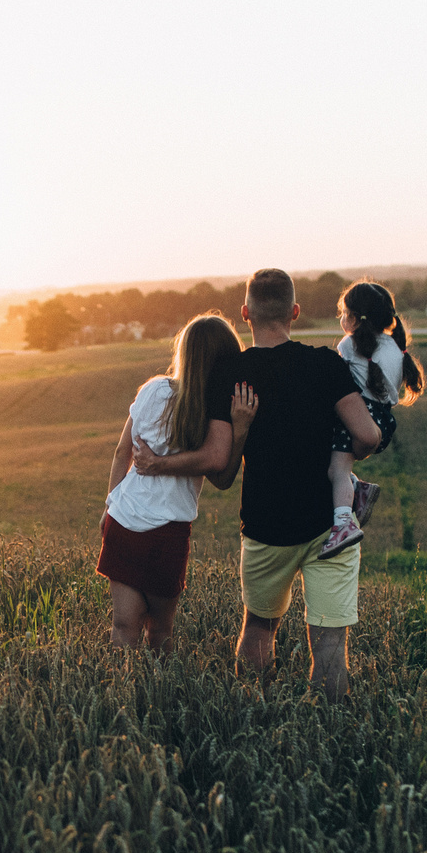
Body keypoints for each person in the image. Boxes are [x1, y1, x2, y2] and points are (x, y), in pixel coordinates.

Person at [136, 268, 380, 699]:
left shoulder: (232, 374)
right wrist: (343, 460)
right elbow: (367, 436)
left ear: (245, 313)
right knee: (329, 644)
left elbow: (220, 472)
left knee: (259, 629)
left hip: (266, 527)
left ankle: (255, 715)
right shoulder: (327, 363)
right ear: (295, 313)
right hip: (330, 525)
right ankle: (330, 732)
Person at [100, 315, 254, 651]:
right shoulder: (213, 412)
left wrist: (110, 503)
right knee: (160, 633)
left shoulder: (154, 389)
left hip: (123, 519)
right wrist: (241, 430)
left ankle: (119, 699)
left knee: (123, 627)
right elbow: (221, 475)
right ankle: (159, 700)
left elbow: (121, 451)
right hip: (166, 530)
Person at [322, 281, 426, 554]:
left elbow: (337, 383)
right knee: (338, 468)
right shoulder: (395, 347)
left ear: (354, 319)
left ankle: (343, 523)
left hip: (355, 416)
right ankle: (358, 489)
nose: (341, 319)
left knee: (336, 470)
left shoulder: (348, 345)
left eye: (344, 313)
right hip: (382, 421)